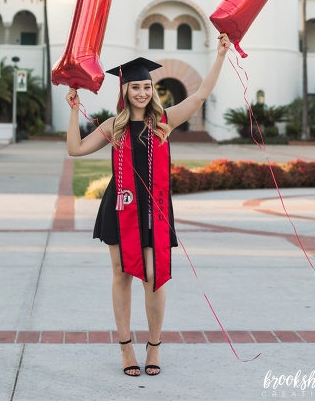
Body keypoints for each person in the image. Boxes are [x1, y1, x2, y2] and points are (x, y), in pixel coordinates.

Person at [65, 33, 231, 378]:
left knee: (153, 277)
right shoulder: (115, 126)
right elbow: (76, 150)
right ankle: (126, 348)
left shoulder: (163, 122)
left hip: (154, 208)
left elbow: (201, 95)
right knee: (121, 274)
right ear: (124, 91)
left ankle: (153, 346)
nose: (142, 93)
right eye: (135, 87)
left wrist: (219, 56)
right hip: (120, 204)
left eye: (147, 87)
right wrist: (72, 110)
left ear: (153, 90)